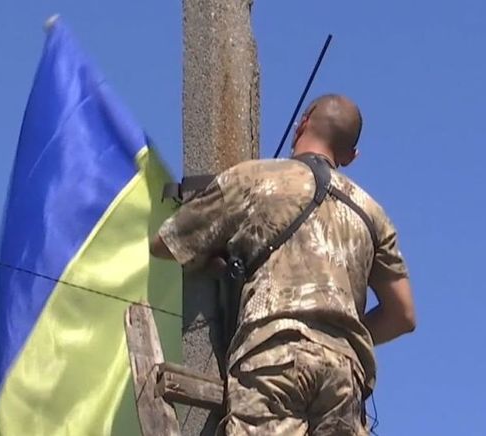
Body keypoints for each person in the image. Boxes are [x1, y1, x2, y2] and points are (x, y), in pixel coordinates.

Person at [150, 94, 416, 435]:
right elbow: (403, 315)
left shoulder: (254, 179)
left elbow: (168, 244)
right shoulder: (372, 215)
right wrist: (339, 335)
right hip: (343, 375)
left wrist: (215, 258)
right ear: (351, 156)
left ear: (302, 123)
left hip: (272, 357)